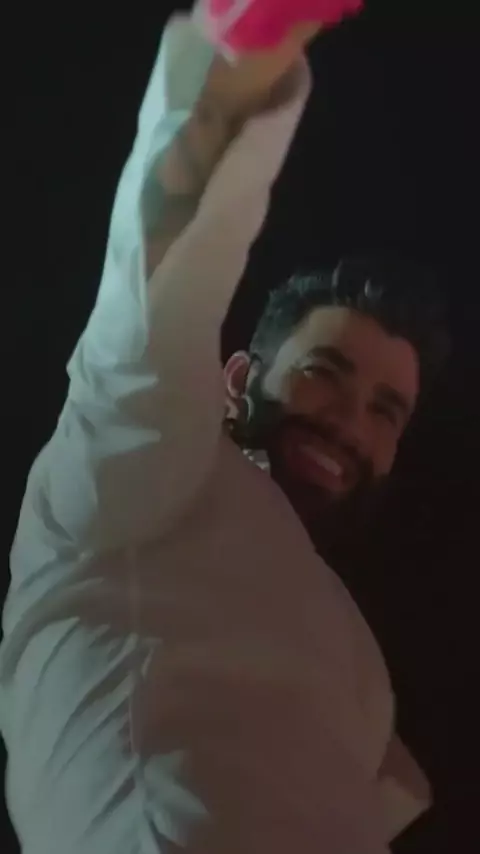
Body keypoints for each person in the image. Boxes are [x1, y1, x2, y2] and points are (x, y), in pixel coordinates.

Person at [0, 12, 448, 854]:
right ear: (236, 380)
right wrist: (245, 51)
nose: (351, 421)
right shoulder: (143, 466)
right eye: (325, 372)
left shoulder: (355, 658)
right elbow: (160, 280)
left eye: (386, 409)